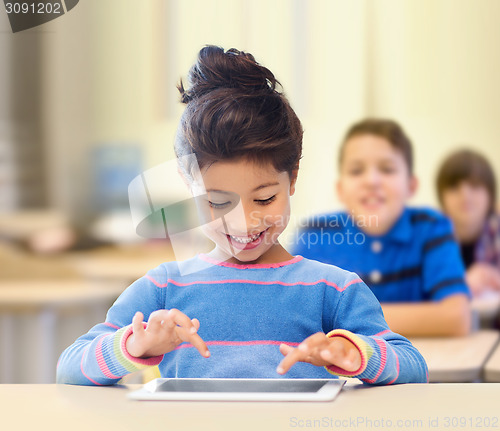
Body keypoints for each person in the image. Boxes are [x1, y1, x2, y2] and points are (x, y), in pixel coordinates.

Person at [56, 47, 427, 386]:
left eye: (264, 199)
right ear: (189, 183)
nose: (243, 223)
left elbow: (413, 365)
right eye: (218, 203)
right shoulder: (164, 287)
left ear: (292, 178)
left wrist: (354, 354)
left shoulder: (333, 290)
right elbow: (70, 367)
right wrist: (134, 345)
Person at [292, 119, 471, 337]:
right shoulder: (315, 234)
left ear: (411, 185)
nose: (372, 180)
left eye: (387, 169)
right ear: (340, 189)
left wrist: (341, 316)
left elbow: (456, 318)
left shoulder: (432, 228)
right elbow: (293, 317)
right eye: (357, 171)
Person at [436, 149, 500, 297]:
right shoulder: (430, 235)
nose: (465, 195)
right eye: (453, 187)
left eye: (475, 185)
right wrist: (462, 284)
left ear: (490, 194)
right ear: (441, 197)